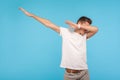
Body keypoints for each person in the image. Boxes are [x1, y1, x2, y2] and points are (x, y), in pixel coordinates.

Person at [19, 7, 98, 80]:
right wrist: (32, 15)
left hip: (84, 73)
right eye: (86, 27)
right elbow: (49, 24)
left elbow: (95, 29)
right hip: (70, 75)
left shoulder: (84, 36)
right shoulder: (66, 32)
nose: (87, 30)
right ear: (80, 23)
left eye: (87, 28)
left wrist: (79, 26)